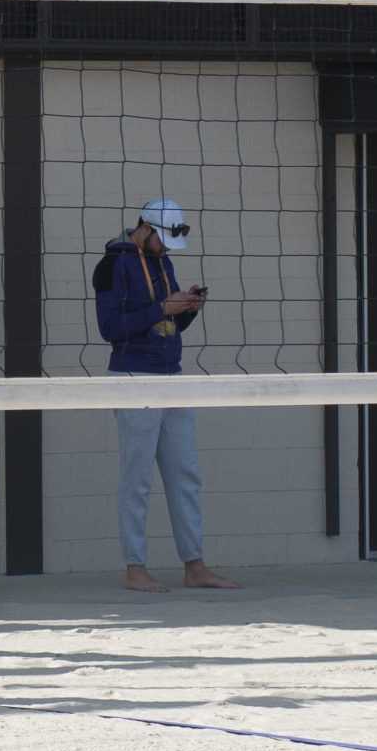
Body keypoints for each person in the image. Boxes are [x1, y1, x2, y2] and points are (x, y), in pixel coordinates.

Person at [94, 200, 239, 594]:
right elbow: (111, 328)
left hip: (171, 375)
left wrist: (186, 307)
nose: (166, 249)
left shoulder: (163, 262)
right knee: (136, 477)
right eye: (163, 240)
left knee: (185, 474)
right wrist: (163, 306)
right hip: (133, 376)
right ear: (145, 228)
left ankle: (195, 564)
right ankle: (134, 566)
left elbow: (167, 323)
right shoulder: (111, 266)